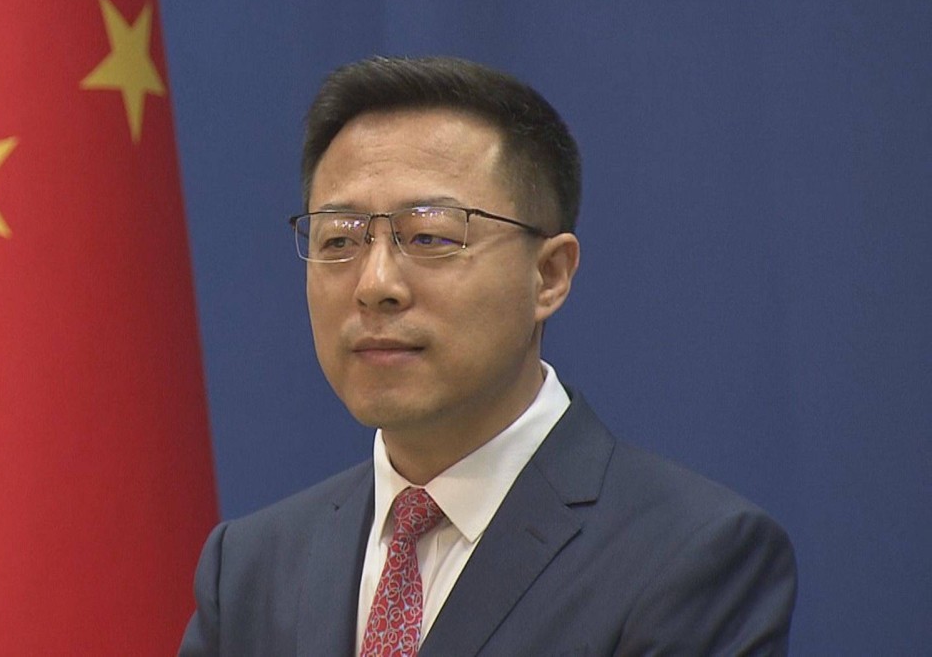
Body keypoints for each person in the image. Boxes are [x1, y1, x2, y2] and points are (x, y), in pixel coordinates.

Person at [179, 56, 796, 656]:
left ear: (549, 275)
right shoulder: (250, 568)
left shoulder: (689, 557)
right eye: (339, 240)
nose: (374, 284)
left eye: (429, 236)